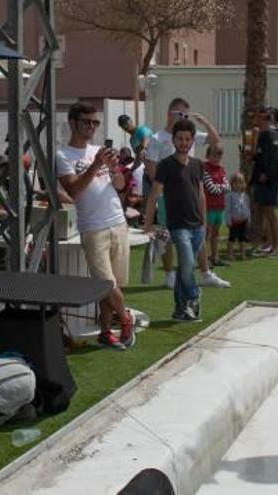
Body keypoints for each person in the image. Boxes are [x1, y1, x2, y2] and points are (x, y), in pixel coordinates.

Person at [57, 102, 136, 349]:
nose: (92, 127)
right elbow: (74, 191)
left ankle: (105, 331)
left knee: (114, 285)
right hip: (93, 227)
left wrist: (113, 168)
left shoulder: (98, 150)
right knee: (105, 284)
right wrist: (95, 165)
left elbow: (121, 185)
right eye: (86, 122)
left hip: (117, 222)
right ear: (72, 123)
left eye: (95, 122)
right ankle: (125, 319)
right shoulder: (63, 155)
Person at [145, 98, 229, 289]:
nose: (181, 117)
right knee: (166, 235)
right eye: (178, 113)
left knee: (197, 232)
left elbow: (216, 141)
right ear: (169, 113)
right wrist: (166, 189)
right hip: (167, 196)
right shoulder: (158, 139)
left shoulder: (189, 134)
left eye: (184, 114)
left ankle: (206, 272)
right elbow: (151, 168)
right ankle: (169, 276)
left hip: (191, 191)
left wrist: (203, 121)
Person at [143, 119, 207, 321]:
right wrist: (147, 224)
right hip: (178, 226)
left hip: (197, 226)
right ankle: (194, 297)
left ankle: (180, 309)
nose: (184, 143)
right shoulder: (165, 165)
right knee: (187, 264)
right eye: (180, 139)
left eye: (188, 139)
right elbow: (154, 194)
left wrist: (204, 224)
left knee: (184, 270)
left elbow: (201, 195)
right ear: (173, 140)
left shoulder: (197, 165)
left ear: (192, 141)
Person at [247, 107, 278, 257]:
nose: (255, 120)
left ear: (266, 119)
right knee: (260, 212)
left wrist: (267, 175)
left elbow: (277, 158)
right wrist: (249, 153)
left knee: (270, 213)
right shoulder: (262, 135)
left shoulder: (273, 135)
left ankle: (276, 248)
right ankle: (263, 245)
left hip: (269, 181)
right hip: (260, 179)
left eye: (259, 118)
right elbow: (258, 156)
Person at [202, 143, 229, 267]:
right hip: (208, 207)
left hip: (220, 207)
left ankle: (215, 257)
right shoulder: (205, 169)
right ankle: (204, 259)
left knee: (216, 234)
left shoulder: (222, 169)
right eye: (213, 155)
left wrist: (220, 187)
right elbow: (210, 188)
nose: (216, 158)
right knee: (206, 234)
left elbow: (228, 187)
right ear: (208, 155)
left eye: (219, 155)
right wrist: (221, 187)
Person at [224, 172, 251, 261]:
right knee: (232, 238)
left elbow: (247, 207)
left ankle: (243, 254)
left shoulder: (245, 195)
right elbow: (227, 209)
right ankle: (230, 254)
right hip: (234, 221)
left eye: (240, 183)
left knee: (243, 239)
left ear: (244, 184)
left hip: (243, 221)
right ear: (232, 184)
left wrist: (248, 218)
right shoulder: (229, 196)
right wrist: (228, 220)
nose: (238, 185)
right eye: (235, 183)